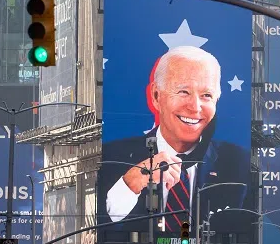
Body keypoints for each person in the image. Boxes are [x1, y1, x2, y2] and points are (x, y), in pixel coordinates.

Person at [100, 46, 250, 229]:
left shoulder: (239, 163)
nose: (195, 107)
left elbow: (249, 231)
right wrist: (132, 182)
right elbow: (99, 226)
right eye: (183, 92)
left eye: (206, 95)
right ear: (156, 95)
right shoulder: (111, 156)